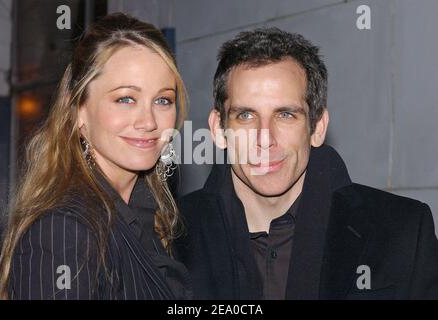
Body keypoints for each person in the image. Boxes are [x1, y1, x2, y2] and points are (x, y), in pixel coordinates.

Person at [174, 28, 438, 299]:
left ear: (317, 128)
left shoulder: (401, 231)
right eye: (246, 116)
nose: (265, 139)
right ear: (218, 129)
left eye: (286, 115)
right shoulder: (167, 237)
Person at [0, 13, 191, 300]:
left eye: (163, 100)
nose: (149, 121)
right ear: (79, 113)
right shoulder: (65, 230)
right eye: (126, 99)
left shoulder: (145, 216)